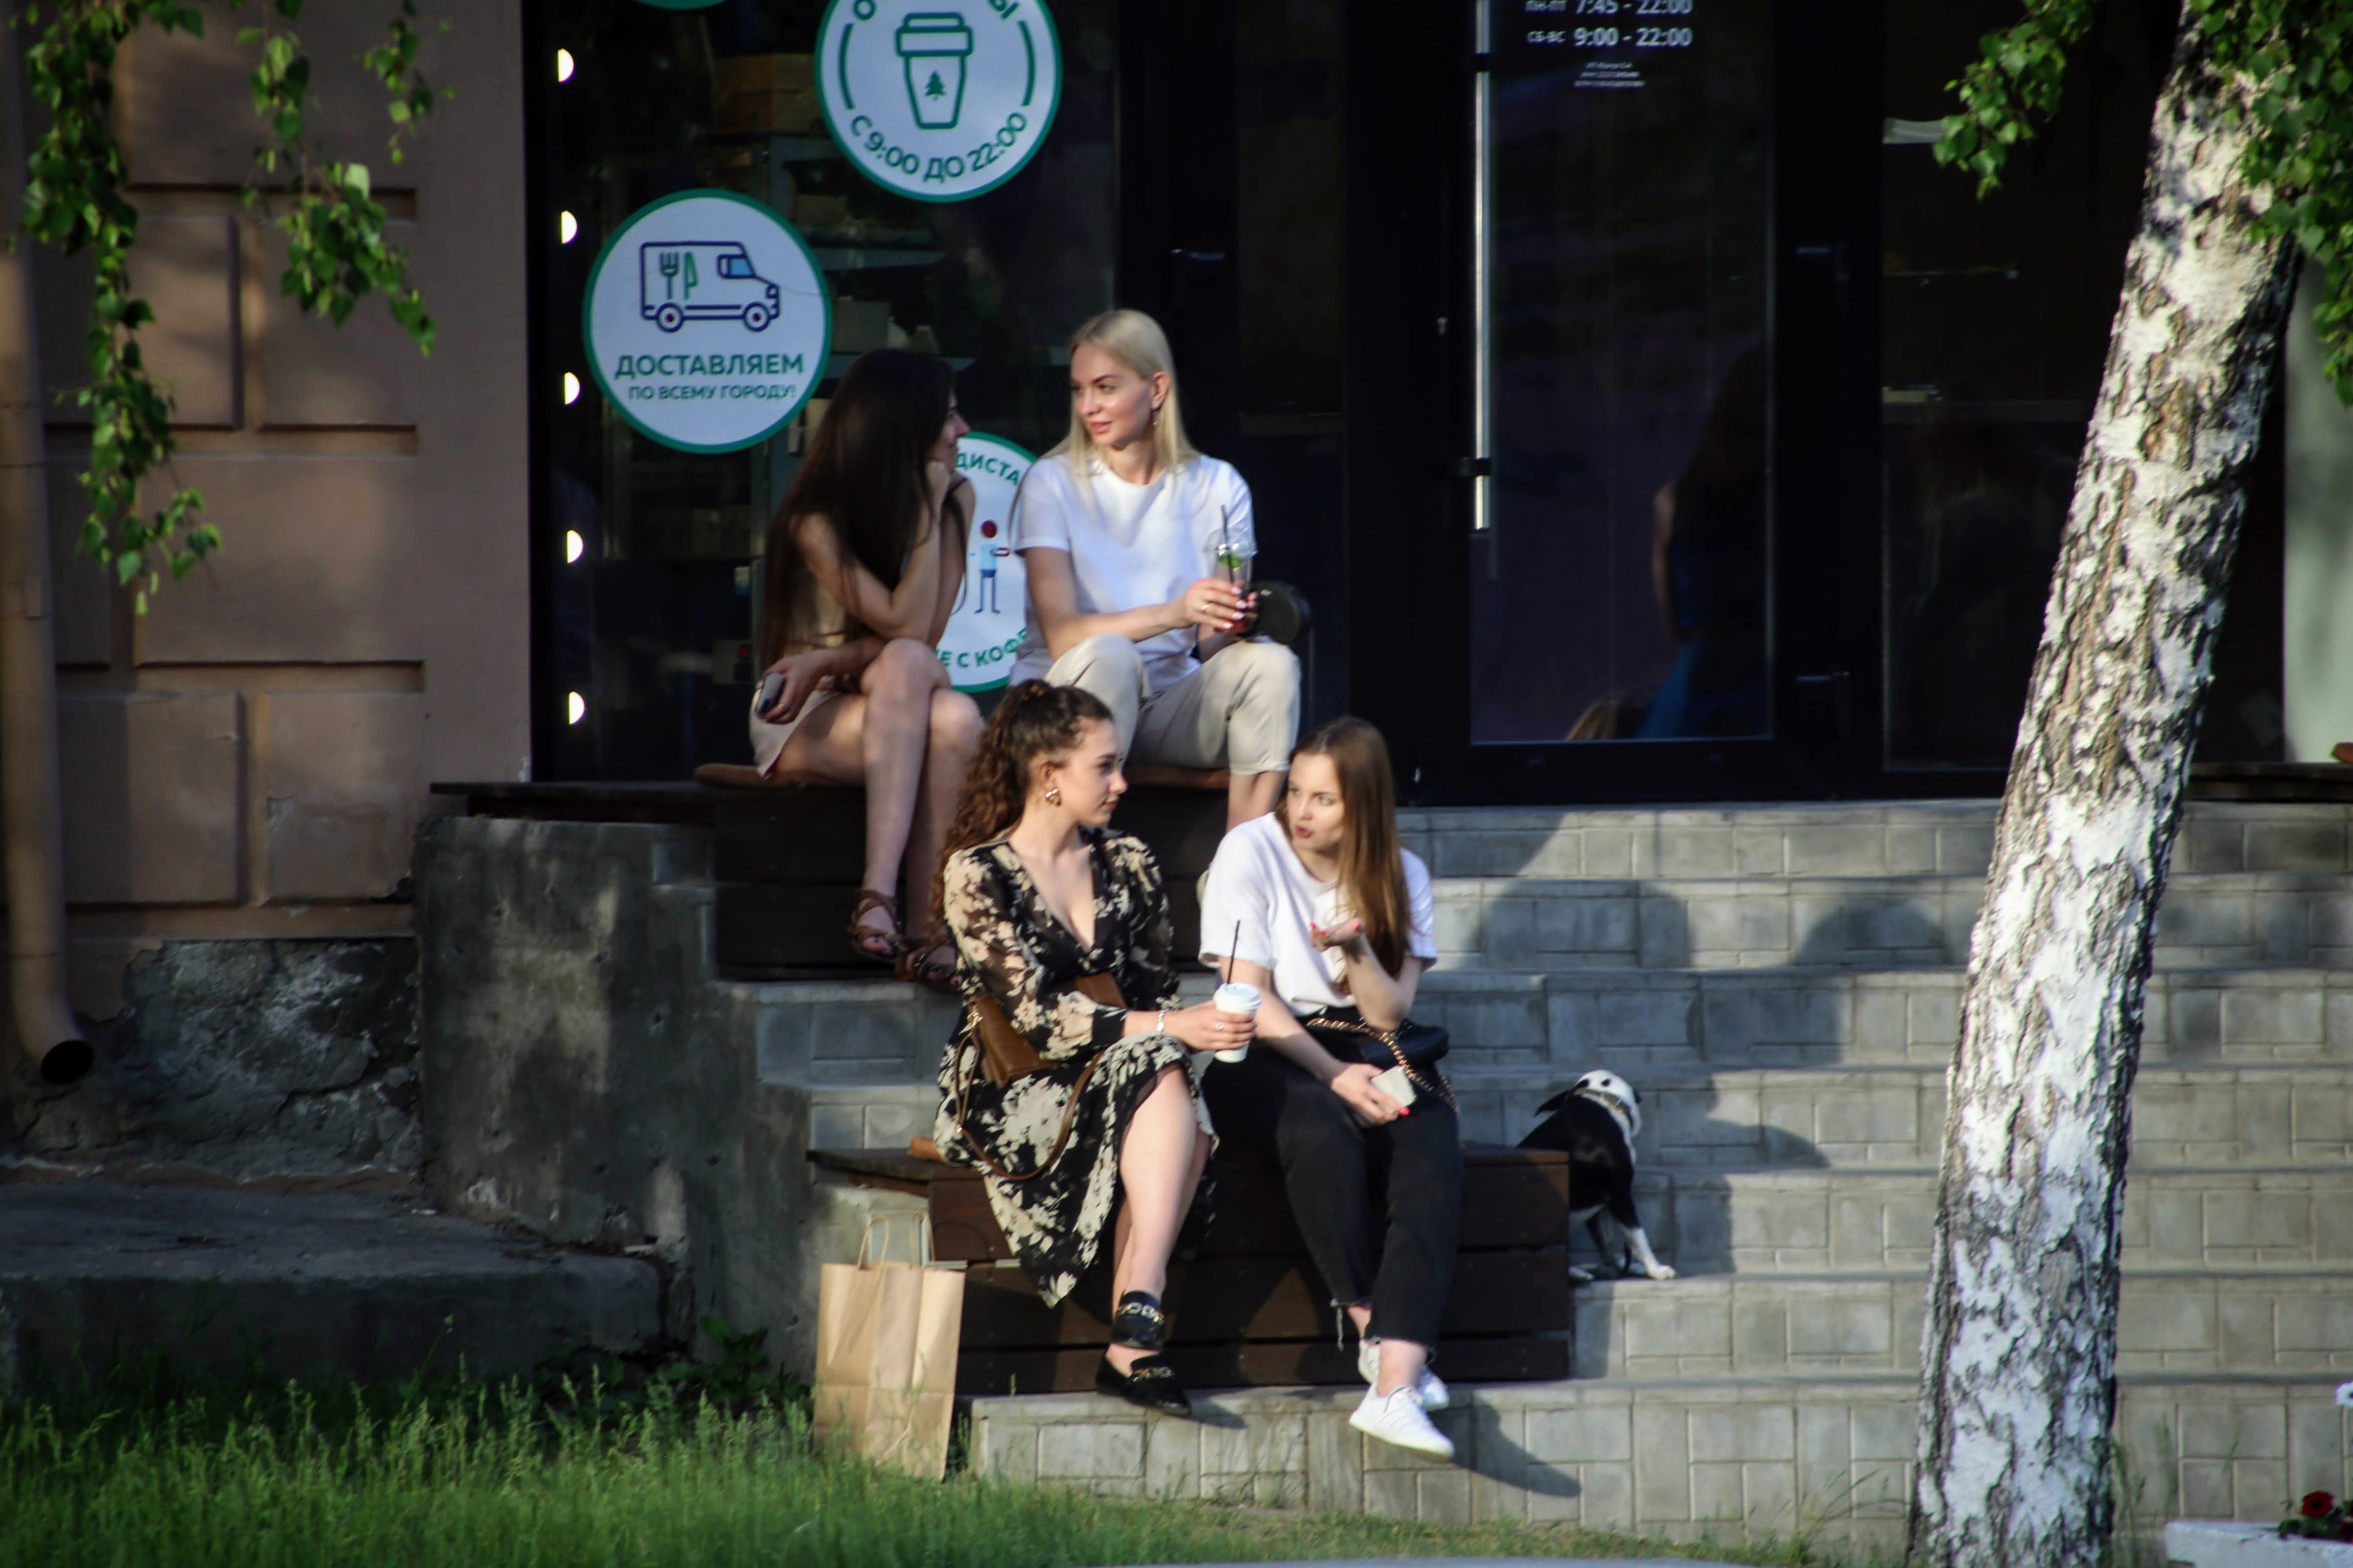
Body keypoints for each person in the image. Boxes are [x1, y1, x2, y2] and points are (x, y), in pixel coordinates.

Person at [930, 681, 1252, 1417]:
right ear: (1049, 775)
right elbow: (1038, 1018)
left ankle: (1135, 1327)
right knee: (1165, 1076)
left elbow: (1154, 987)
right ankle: (1139, 1315)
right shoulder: (976, 872)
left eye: (1120, 764)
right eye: (1104, 766)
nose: (1121, 782)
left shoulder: (1128, 859)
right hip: (1015, 1083)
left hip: (1130, 1067)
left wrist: (1179, 1026)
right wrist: (1171, 1027)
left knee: (1161, 1074)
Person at [1197, 716, 1462, 1460]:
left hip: (1365, 1042)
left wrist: (1356, 948)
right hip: (1264, 1046)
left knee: (1428, 1131)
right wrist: (1332, 1073)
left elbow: (1388, 1014)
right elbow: (1248, 995)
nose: (1302, 812)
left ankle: (1395, 1385)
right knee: (1317, 1122)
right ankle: (1374, 1325)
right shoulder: (1249, 848)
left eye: (1324, 799)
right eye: (1296, 793)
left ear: (1363, 806)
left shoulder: (1402, 873)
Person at [1009, 308, 1299, 830]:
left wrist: (1237, 623)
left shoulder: (1219, 485)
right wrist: (1175, 612)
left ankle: (1240, 862)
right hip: (1064, 701)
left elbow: (1213, 645)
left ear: (1157, 388)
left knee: (1272, 664)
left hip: (1169, 705)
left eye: (1105, 388)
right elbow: (1062, 636)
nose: (1088, 407)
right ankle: (1086, 857)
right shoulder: (1050, 482)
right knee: (1112, 655)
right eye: (1079, 390)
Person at [752, 349, 981, 987]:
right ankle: (894, 902)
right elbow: (905, 629)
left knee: (956, 715)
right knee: (935, 695)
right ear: (905, 425)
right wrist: (927, 510)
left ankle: (921, 923)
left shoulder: (955, 496)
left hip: (894, 692)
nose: (962, 430)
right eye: (948, 416)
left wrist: (931, 510)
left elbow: (924, 635)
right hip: (806, 711)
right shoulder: (816, 517)